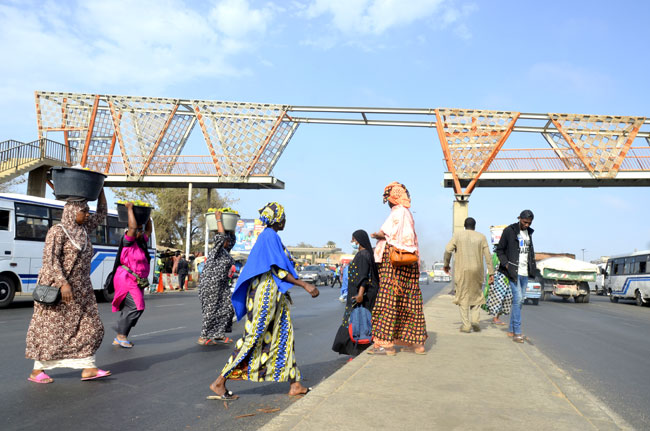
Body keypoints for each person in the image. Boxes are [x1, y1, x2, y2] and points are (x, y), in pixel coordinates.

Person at [208, 202, 319, 400]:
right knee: (253, 336)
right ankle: (219, 382)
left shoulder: (271, 236)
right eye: (283, 217)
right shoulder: (269, 236)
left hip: (275, 294)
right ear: (277, 219)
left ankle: (295, 384)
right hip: (265, 293)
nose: (285, 221)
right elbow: (278, 269)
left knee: (285, 336)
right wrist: (305, 284)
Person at [25, 190, 111, 383]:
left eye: (88, 211)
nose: (88, 215)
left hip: (81, 290)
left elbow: (102, 213)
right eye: (84, 211)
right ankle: (37, 371)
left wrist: (100, 189)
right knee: (52, 329)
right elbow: (50, 259)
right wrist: (64, 283)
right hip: (58, 289)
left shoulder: (82, 230)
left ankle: (88, 366)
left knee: (91, 327)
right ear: (72, 212)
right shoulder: (57, 231)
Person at [370, 182, 427, 355]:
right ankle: (416, 343)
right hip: (409, 261)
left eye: (387, 197)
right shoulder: (407, 213)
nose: (387, 201)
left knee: (387, 301)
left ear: (393, 197)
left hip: (393, 262)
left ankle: (385, 345)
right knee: (410, 300)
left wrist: (377, 234)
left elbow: (390, 234)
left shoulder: (398, 212)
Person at [111, 201, 153, 348]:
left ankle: (120, 335)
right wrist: (129, 209)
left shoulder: (142, 242)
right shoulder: (128, 241)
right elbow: (133, 227)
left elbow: (148, 230)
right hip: (126, 279)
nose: (140, 232)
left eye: (141, 230)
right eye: (138, 230)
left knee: (131, 308)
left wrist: (147, 216)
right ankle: (121, 333)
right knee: (137, 307)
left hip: (137, 280)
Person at [332, 230, 380, 356]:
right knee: (357, 321)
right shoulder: (364, 254)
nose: (352, 242)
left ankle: (360, 348)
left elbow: (363, 277)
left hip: (360, 296)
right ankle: (357, 348)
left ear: (359, 240)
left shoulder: (363, 255)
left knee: (358, 321)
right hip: (359, 294)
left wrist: (360, 294)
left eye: (353, 239)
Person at [443, 217, 494, 333]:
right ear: (474, 226)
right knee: (477, 295)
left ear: (464, 225)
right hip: (477, 271)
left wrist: (446, 264)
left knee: (463, 296)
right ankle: (475, 320)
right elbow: (488, 256)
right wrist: (491, 273)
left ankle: (466, 325)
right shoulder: (481, 237)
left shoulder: (458, 235)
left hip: (462, 270)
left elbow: (447, 250)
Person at [496, 209, 536, 343]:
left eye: (529, 223)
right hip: (514, 272)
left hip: (525, 272)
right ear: (519, 218)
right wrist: (506, 264)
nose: (527, 225)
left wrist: (532, 267)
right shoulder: (509, 231)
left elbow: (529, 252)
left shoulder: (529, 233)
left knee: (519, 301)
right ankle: (517, 332)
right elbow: (500, 250)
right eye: (525, 222)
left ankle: (511, 330)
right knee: (518, 299)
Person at [197, 210, 236, 346]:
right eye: (227, 239)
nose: (228, 241)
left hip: (222, 285)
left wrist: (232, 225)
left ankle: (219, 334)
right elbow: (221, 235)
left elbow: (231, 238)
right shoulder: (216, 250)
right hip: (210, 284)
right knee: (211, 310)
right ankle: (203, 336)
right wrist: (219, 219)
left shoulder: (225, 252)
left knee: (227, 308)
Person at [482, 248, 513, 325]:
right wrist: (491, 277)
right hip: (499, 278)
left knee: (507, 298)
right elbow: (492, 267)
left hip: (508, 278)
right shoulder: (497, 256)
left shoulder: (511, 254)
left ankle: (496, 317)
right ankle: (495, 318)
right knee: (498, 298)